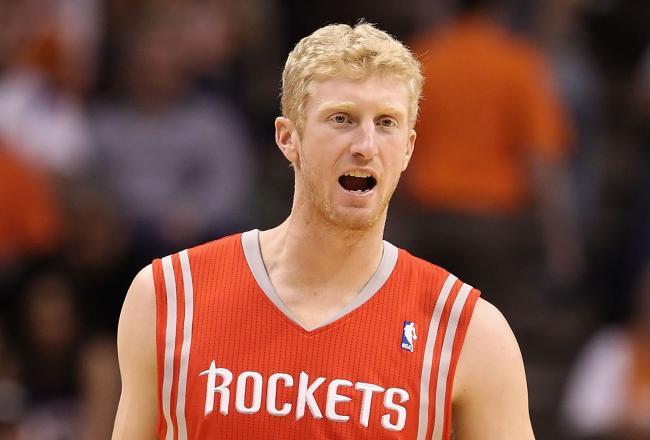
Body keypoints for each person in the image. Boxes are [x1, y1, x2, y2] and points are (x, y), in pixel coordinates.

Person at [112, 22, 534, 439]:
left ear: (408, 148)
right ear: (288, 138)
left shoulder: (469, 333)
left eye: (386, 122)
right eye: (342, 119)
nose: (365, 146)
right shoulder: (169, 297)